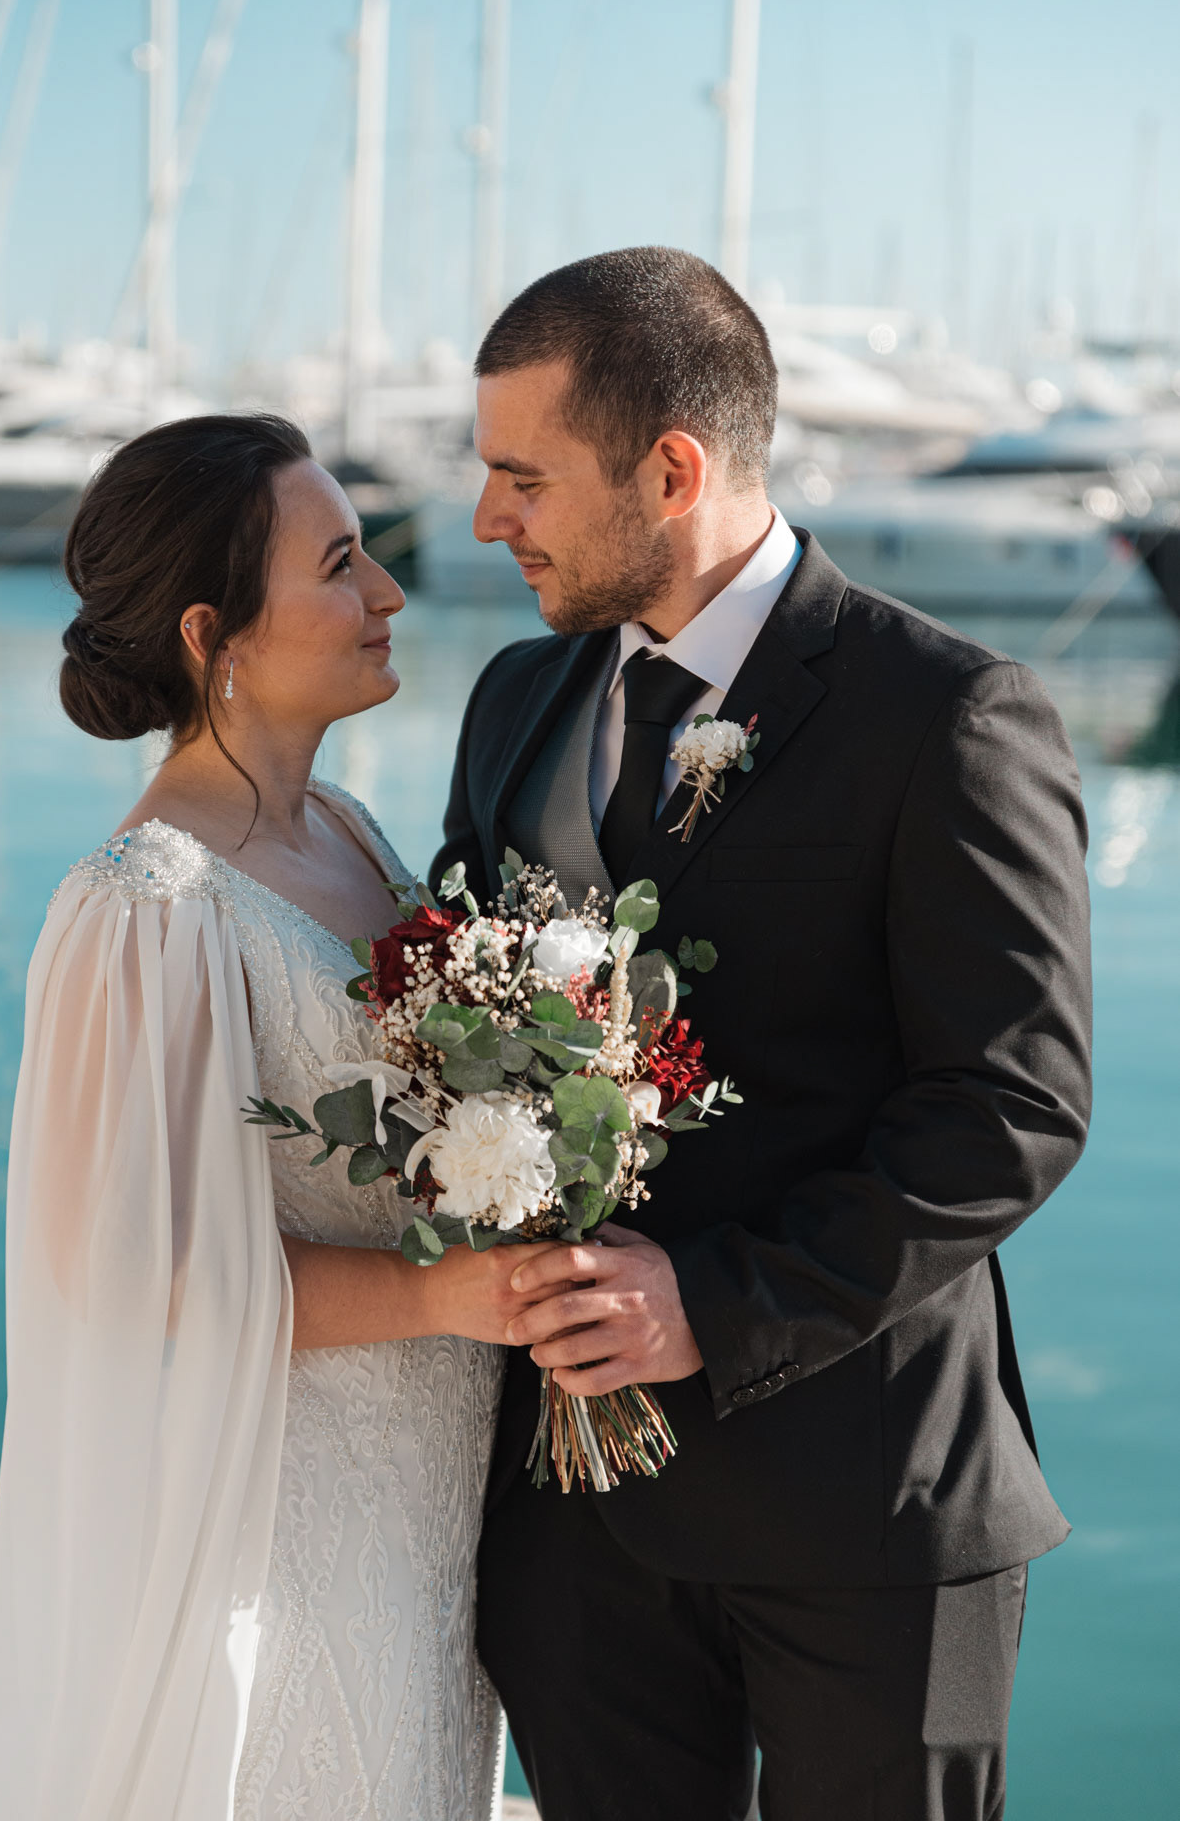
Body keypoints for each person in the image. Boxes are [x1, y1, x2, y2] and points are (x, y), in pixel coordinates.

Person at [431, 246, 1094, 1821]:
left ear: (669, 470)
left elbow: (1008, 1106)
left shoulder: (944, 711)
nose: (484, 520)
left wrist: (710, 1306)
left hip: (862, 1512)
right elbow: (461, 1012)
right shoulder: (515, 698)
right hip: (572, 1535)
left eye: (522, 477)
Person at [0, 413, 559, 1821]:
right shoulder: (146, 906)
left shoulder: (347, 831)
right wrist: (450, 1295)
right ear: (211, 632)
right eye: (342, 564)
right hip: (274, 1505)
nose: (388, 595)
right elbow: (129, 1275)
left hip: (428, 1493)